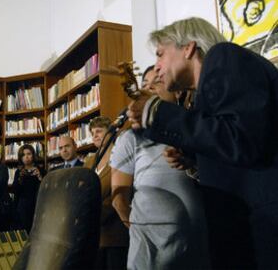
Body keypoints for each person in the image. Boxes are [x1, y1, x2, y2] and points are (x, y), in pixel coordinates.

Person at [127, 17, 278, 268]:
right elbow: (235, 147)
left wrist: (156, 112)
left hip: (265, 229)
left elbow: (242, 139)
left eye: (160, 54)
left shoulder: (223, 56)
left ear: (188, 48)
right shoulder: (203, 95)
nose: (157, 68)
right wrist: (194, 160)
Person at [111, 66, 209, 269]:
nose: (149, 89)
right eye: (145, 85)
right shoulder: (131, 138)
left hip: (196, 250)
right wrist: (144, 232)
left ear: (178, 91)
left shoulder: (195, 130)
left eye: (157, 82)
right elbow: (119, 199)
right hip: (151, 255)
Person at [83, 116, 129, 270]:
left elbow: (121, 191)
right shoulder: (89, 161)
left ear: (112, 133)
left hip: (115, 233)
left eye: (99, 131)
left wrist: (93, 213)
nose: (95, 135)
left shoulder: (121, 156)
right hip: (93, 236)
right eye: (92, 132)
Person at [11, 144, 45, 233]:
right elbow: (15, 190)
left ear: (33, 155)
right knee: (23, 230)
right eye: (23, 155)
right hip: (23, 206)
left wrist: (40, 177)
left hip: (38, 204)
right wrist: (20, 179)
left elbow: (46, 189)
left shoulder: (41, 170)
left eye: (29, 154)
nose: (26, 157)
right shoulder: (18, 172)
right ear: (20, 157)